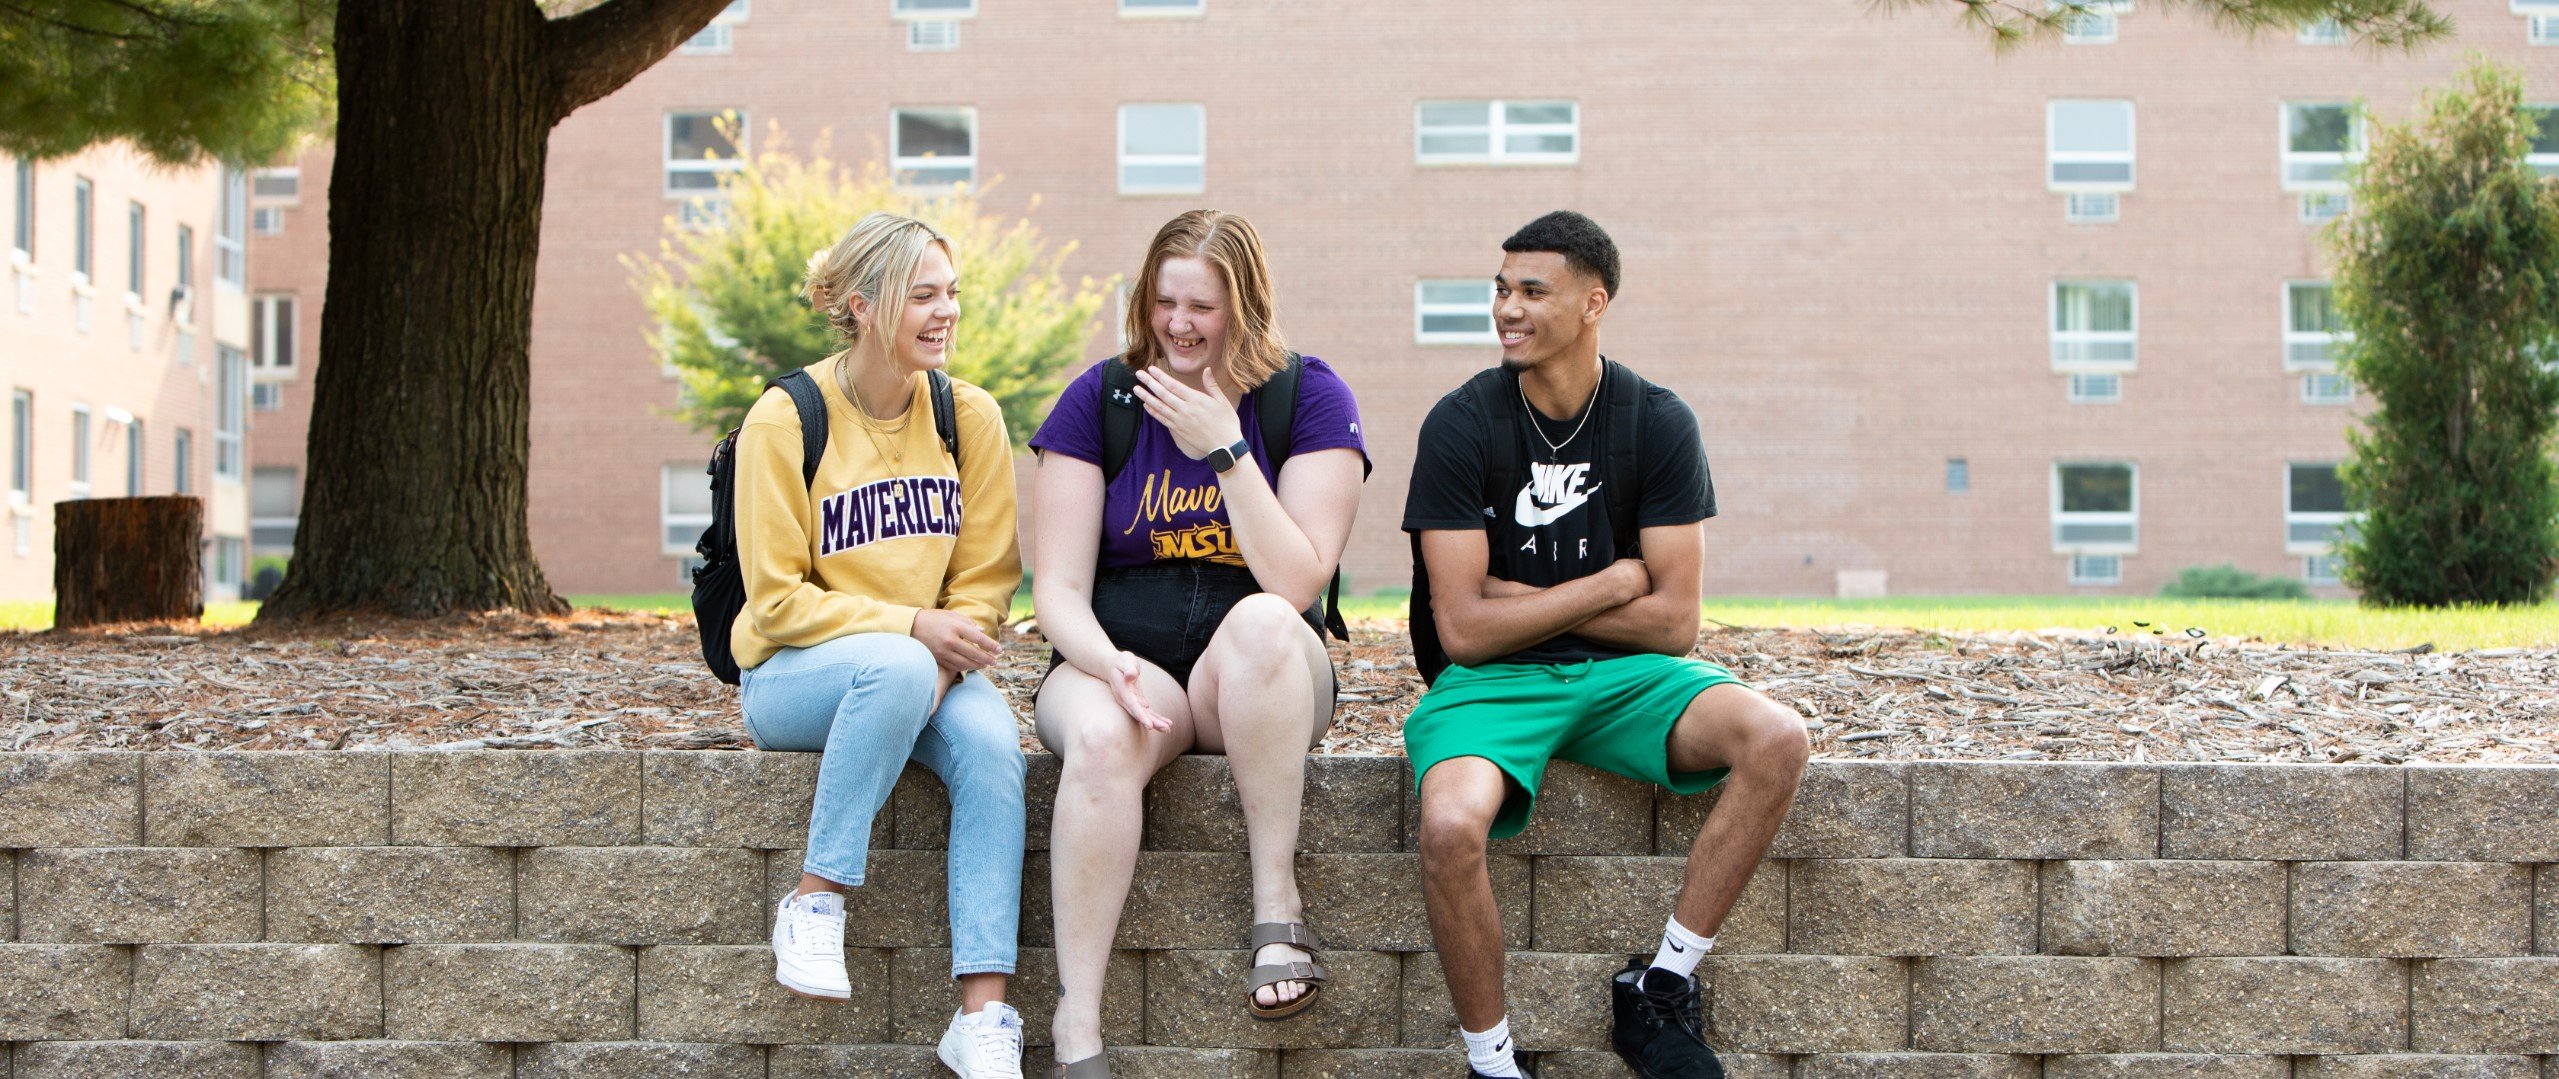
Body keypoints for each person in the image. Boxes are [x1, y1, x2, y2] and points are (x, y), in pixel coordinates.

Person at [1401, 211, 1809, 1079]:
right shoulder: (1460, 424)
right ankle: (1491, 1061)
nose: (1507, 308)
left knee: (1776, 737)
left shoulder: (1655, 421)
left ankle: (1659, 985)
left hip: (1632, 679)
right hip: (1493, 684)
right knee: (1447, 825)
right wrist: (1613, 583)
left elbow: (1674, 625)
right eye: (1500, 290)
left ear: (1594, 302)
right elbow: (1464, 629)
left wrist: (1526, 598)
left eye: (1531, 292)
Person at [1028, 209, 1368, 1077]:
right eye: (1162, 301)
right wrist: (1107, 665)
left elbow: (1295, 587)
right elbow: (1057, 589)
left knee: (1259, 619)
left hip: (1255, 674)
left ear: (1244, 308)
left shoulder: (1307, 397)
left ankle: (1275, 908)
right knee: (1101, 736)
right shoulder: (1097, 401)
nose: (1177, 325)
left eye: (1202, 306)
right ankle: (1079, 1024)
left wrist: (1224, 449)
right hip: (1123, 659)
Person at [733, 212, 1029, 1079]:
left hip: (921, 670)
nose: (946, 312)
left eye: (952, 293)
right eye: (923, 295)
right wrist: (910, 633)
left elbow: (985, 579)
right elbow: (776, 601)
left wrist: (937, 652)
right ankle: (815, 901)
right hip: (794, 676)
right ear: (862, 306)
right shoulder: (785, 419)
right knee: (894, 664)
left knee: (994, 746)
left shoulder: (966, 415)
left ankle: (982, 1015)